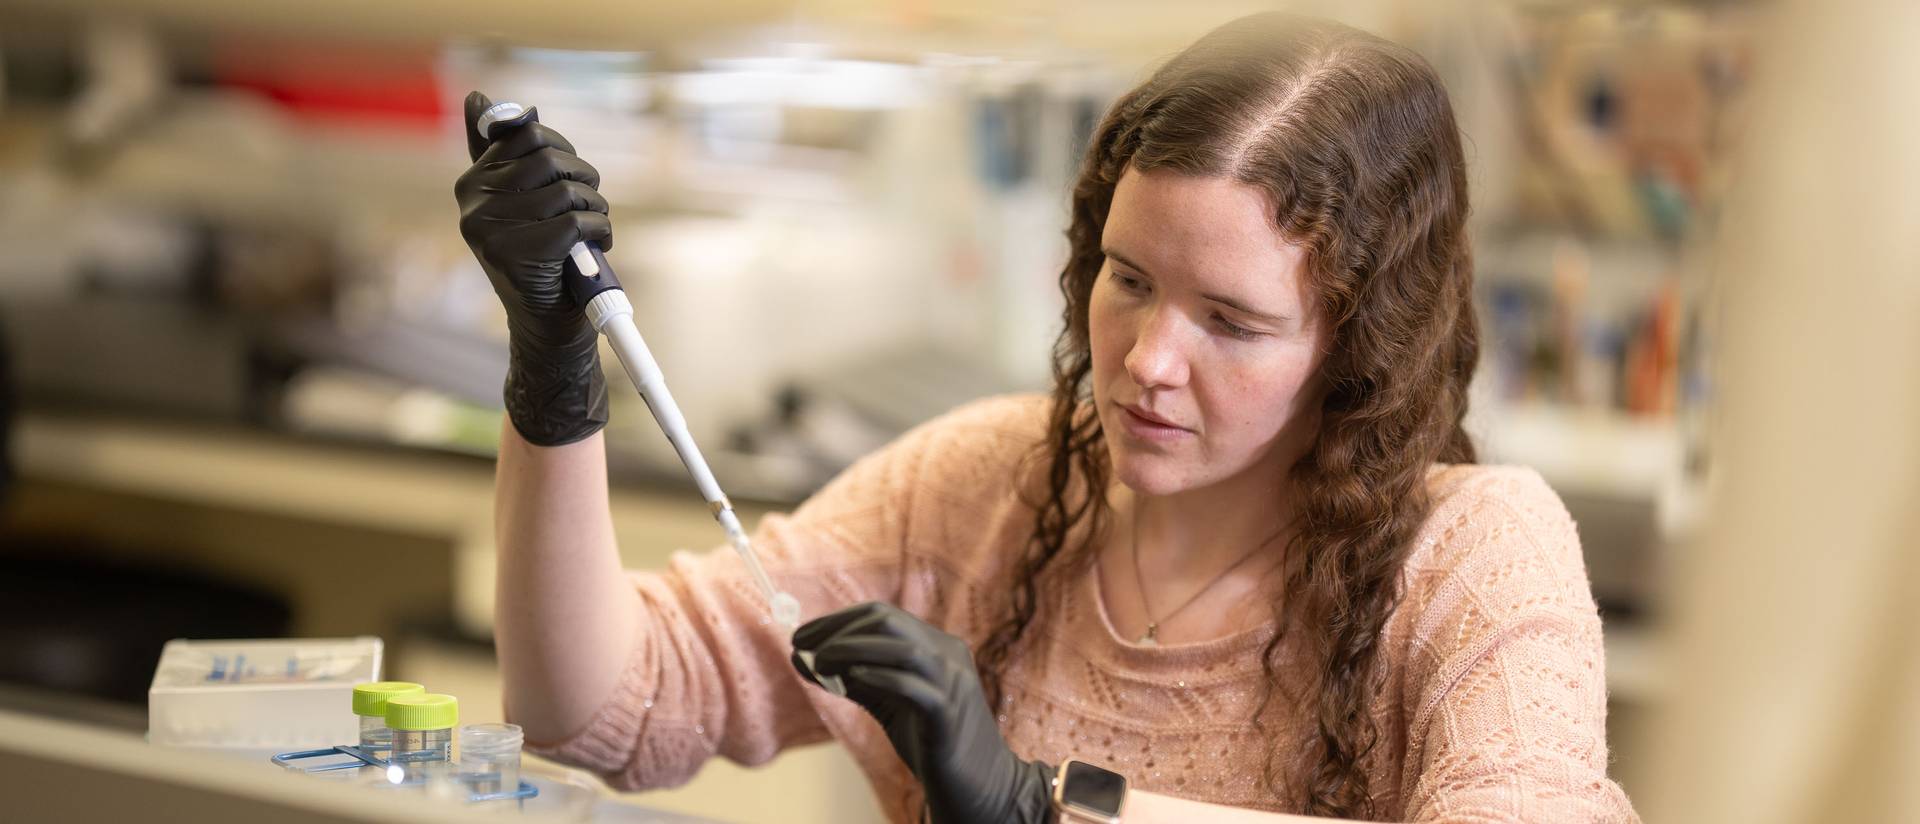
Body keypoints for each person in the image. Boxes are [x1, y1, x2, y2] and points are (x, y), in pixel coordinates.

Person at [455, 12, 1637, 823]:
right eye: (1129, 278)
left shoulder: (1472, 554)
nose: (1149, 360)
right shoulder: (990, 484)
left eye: (1231, 320)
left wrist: (1043, 805)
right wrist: (555, 374)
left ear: (1361, 344)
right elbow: (597, 709)